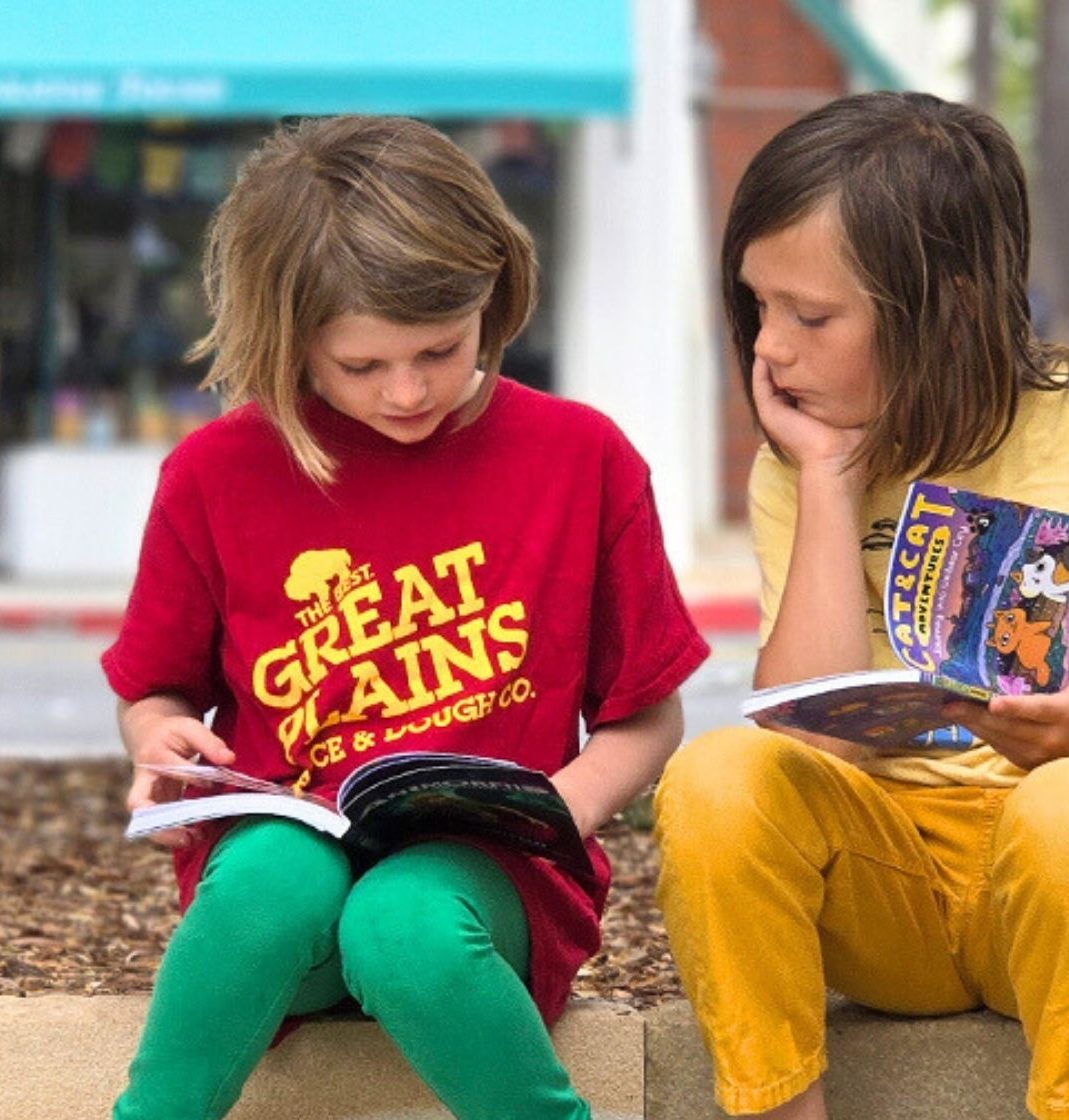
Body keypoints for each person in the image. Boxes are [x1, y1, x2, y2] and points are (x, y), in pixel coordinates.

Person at [652, 91, 1069, 1120]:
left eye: (810, 317)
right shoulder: (797, 470)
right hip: (895, 885)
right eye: (758, 306)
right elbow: (814, 744)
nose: (770, 348)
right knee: (718, 771)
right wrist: (829, 478)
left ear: (953, 308)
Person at [102, 115, 708, 1120]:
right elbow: (156, 686)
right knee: (273, 886)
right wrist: (157, 735)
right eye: (362, 365)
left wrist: (568, 803)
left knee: (404, 923)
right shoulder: (215, 474)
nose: (409, 389)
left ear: (493, 295)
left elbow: (650, 710)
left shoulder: (580, 458)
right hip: (284, 861)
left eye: (440, 348)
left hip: (487, 884)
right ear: (288, 338)